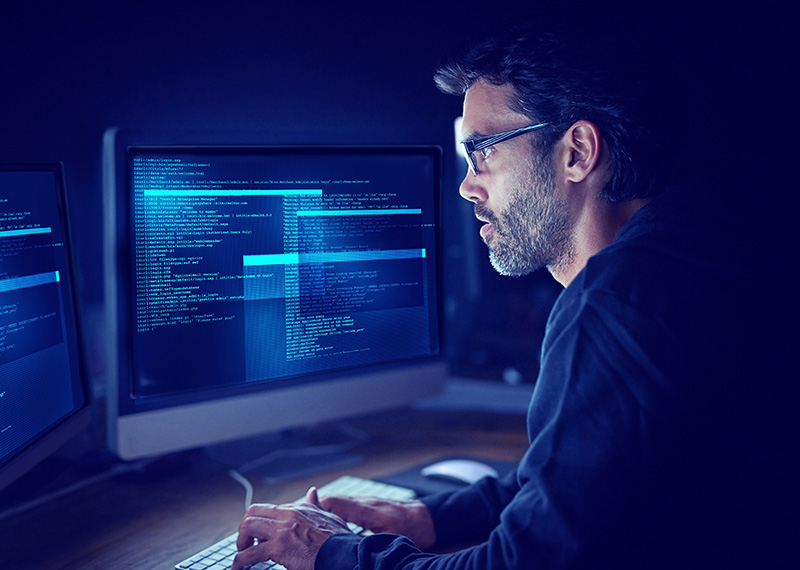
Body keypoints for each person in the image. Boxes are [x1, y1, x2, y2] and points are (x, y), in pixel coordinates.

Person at [232, 24, 773, 570]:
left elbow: (521, 564)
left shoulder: (611, 305)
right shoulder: (701, 250)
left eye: (481, 150)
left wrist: (333, 554)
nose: (468, 185)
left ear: (577, 152)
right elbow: (581, 474)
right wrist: (432, 519)